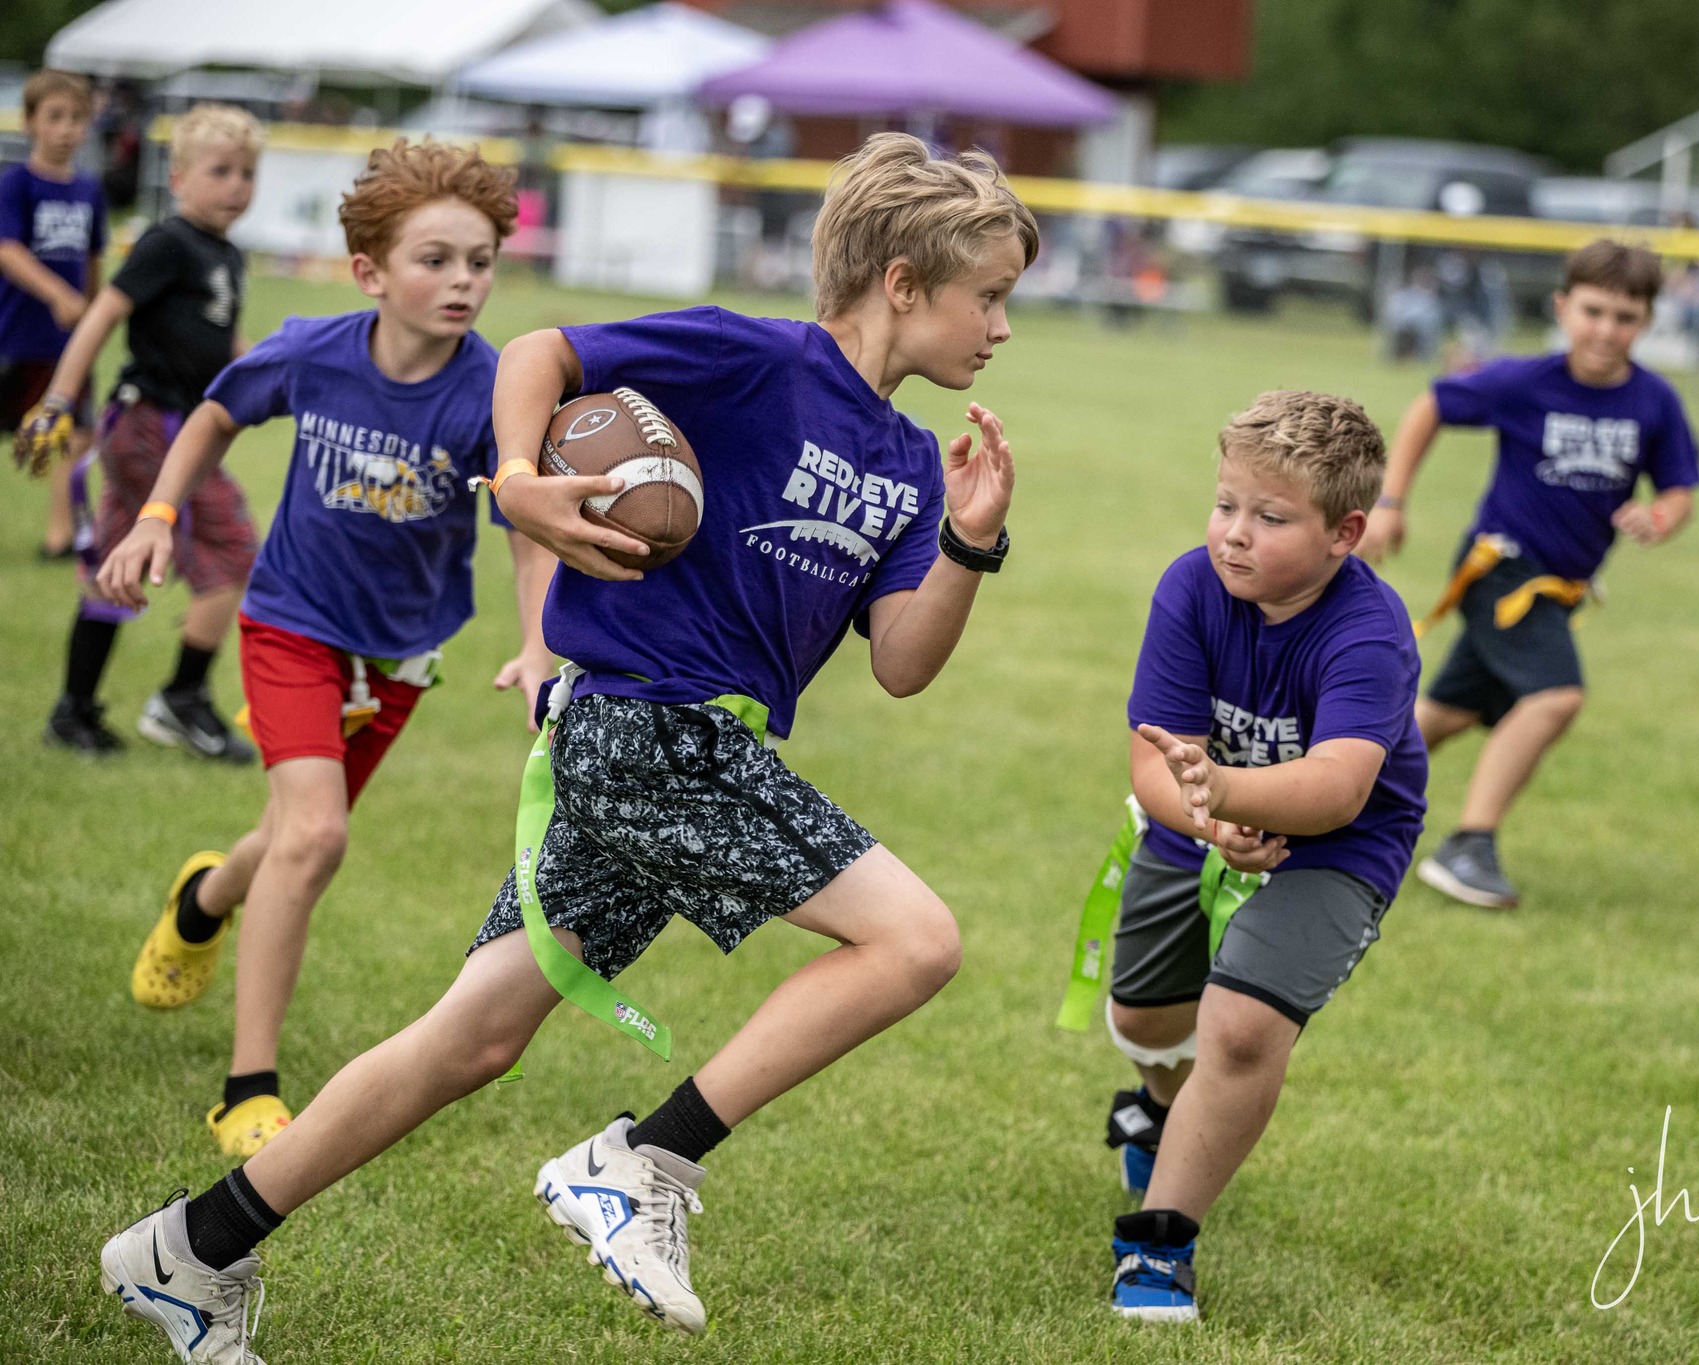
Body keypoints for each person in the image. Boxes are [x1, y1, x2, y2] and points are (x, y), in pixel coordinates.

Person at [98, 131, 1036, 1360]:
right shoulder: (758, 358)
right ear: (903, 284)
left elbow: (904, 664)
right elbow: (542, 352)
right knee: (915, 940)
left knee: (472, 1037)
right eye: (991, 297)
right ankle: (644, 1163)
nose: (1002, 329)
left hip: (683, 743)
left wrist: (968, 542)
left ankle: (184, 1253)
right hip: (646, 727)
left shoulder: (913, 462)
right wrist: (523, 477)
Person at [94, 137, 556, 1158]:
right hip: (292, 624)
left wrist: (537, 644)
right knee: (316, 837)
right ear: (370, 272)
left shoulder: (489, 392)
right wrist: (160, 514)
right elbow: (215, 414)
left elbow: (524, 528)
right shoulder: (312, 350)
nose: (462, 281)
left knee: (299, 830)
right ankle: (245, 1091)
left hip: (398, 654)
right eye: (434, 259)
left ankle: (204, 897)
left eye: (478, 261)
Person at [1096, 390, 1427, 1322]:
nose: (1234, 534)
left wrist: (1230, 795)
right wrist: (1209, 820)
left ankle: (1158, 1246)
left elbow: (1338, 787)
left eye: (1270, 517)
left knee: (1239, 1029)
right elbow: (1153, 764)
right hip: (1198, 820)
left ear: (1345, 532)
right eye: (1226, 503)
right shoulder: (1190, 586)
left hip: (1338, 848)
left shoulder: (1370, 628)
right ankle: (1162, 1111)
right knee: (1148, 1022)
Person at [1361, 240, 1699, 909]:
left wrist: (1660, 518)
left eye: (1625, 317)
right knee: (1554, 697)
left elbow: (1681, 487)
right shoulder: (1525, 382)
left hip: (1561, 587)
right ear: (1562, 306)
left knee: (1445, 714)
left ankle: (1324, 794)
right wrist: (1392, 502)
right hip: (1503, 567)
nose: (1606, 330)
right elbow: (1431, 404)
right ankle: (1469, 844)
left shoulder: (1654, 402)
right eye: (1593, 311)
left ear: (1648, 321)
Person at [17, 103, 264, 759]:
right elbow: (101, 317)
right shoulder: (167, 242)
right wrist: (60, 399)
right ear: (178, 178)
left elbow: (225, 342)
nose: (237, 184)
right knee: (235, 548)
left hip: (178, 428)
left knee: (116, 564)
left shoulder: (226, 254)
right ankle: (182, 698)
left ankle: (74, 711)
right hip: (150, 424)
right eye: (221, 170)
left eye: (248, 172)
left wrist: (275, 378)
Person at [1, 69, 108, 560]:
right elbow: (8, 250)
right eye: (55, 117)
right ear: (30, 123)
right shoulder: (16, 184)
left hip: (68, 346)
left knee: (78, 435)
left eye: (76, 119)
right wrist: (56, 296)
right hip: (16, 336)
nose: (67, 128)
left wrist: (95, 314)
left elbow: (93, 261)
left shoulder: (89, 190)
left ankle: (59, 536)